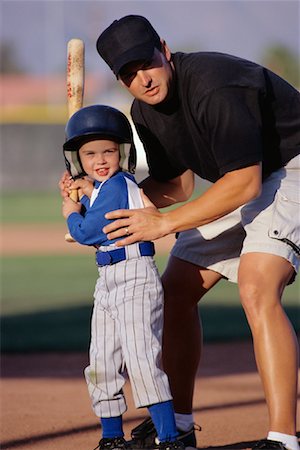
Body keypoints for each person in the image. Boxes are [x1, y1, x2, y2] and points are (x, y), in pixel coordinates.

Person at [95, 15, 300, 450]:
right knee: (174, 291)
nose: (143, 79)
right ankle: (180, 427)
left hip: (293, 167)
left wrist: (165, 223)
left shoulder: (213, 83)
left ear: (164, 50)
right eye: (128, 74)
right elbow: (175, 186)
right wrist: (98, 207)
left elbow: (243, 183)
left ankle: (283, 439)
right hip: (252, 178)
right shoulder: (145, 111)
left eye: (145, 63)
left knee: (257, 284)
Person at [60, 104, 185, 450]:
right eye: (89, 154)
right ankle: (112, 437)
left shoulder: (115, 185)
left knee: (141, 358)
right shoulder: (105, 187)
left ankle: (169, 438)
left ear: (123, 153)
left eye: (108, 151)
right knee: (102, 361)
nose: (99, 159)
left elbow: (86, 232)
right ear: (77, 159)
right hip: (109, 279)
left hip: (133, 276)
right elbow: (99, 198)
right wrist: (84, 190)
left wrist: (71, 212)